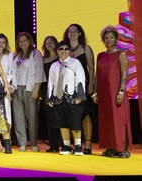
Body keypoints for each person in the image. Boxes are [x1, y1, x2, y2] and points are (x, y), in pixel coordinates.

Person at [93, 26, 132, 158]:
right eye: (106, 38)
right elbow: (97, 75)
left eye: (111, 37)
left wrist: (121, 91)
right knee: (107, 120)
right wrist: (95, 92)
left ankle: (121, 148)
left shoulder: (121, 55)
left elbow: (124, 75)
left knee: (118, 120)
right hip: (104, 94)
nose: (108, 40)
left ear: (116, 39)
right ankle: (110, 147)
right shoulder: (100, 56)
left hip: (116, 93)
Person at [46, 40, 87, 156]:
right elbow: (51, 83)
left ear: (69, 51)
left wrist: (80, 96)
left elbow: (80, 79)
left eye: (66, 49)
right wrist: (49, 98)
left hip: (72, 97)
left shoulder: (75, 63)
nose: (63, 51)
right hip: (59, 98)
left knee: (75, 122)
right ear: (57, 51)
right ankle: (66, 145)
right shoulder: (54, 66)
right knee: (62, 123)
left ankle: (78, 146)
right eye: (61, 49)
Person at [63, 23, 96, 154]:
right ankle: (76, 144)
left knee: (86, 114)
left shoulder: (85, 48)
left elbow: (91, 68)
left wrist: (91, 85)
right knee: (72, 115)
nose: (72, 34)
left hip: (84, 86)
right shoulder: (64, 49)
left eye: (74, 31)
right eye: (70, 31)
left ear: (79, 33)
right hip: (69, 88)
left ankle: (87, 144)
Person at [11, 31, 45, 152]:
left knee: (32, 117)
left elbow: (40, 72)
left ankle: (34, 143)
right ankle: (22, 143)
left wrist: (36, 89)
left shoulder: (36, 54)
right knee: (18, 117)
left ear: (30, 41)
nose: (22, 43)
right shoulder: (15, 55)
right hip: (17, 88)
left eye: (25, 40)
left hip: (30, 88)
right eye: (20, 41)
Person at [0, 33, 14, 151]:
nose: (1, 44)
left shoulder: (10, 56)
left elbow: (11, 72)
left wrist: (7, 84)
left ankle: (7, 141)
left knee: (7, 115)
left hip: (5, 87)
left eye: (3, 42)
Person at [41, 35, 61, 152]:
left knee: (60, 117)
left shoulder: (60, 57)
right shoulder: (43, 59)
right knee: (50, 118)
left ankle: (63, 143)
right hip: (46, 90)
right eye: (47, 44)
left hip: (58, 89)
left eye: (51, 43)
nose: (49, 45)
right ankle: (53, 144)